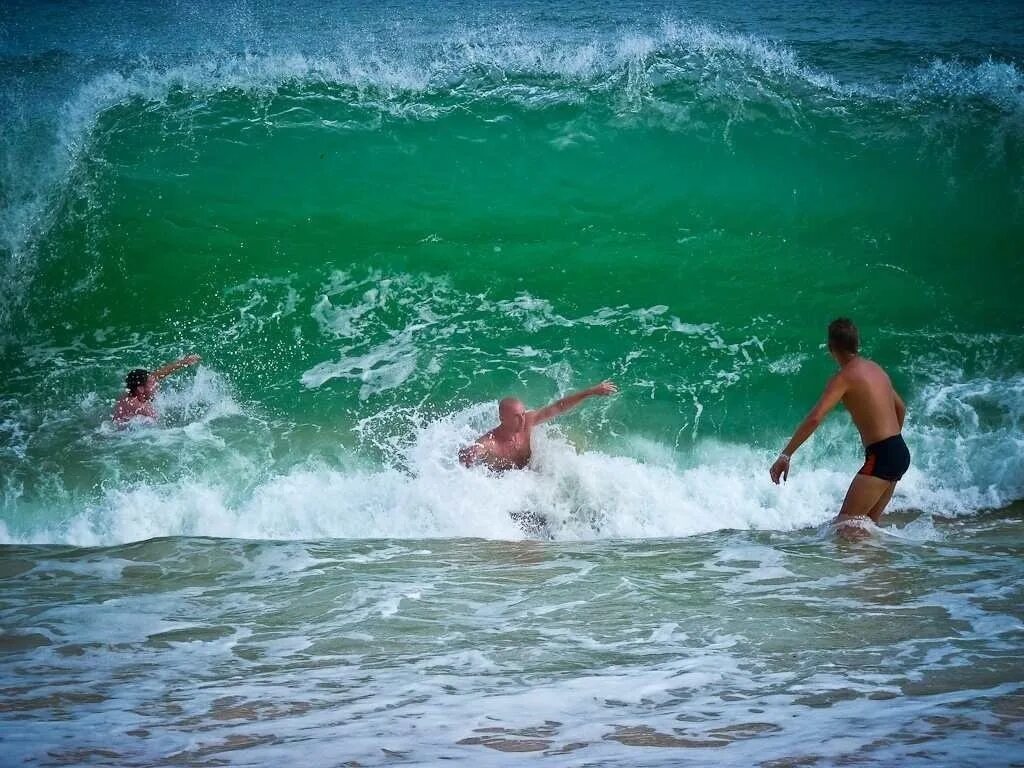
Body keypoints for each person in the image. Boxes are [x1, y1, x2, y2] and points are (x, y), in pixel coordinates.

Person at [769, 318, 910, 525]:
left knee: (846, 526)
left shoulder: (843, 378)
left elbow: (816, 418)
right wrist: (891, 445)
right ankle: (880, 558)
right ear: (856, 344)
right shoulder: (875, 369)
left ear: (831, 348)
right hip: (899, 451)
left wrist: (786, 454)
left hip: (882, 456)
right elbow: (901, 408)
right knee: (866, 527)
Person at [459, 381, 618, 471]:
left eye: (522, 414)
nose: (522, 420)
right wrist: (471, 453)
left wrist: (590, 391)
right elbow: (468, 456)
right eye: (516, 417)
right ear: (502, 418)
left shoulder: (527, 420)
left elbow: (558, 407)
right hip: (505, 491)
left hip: (531, 484)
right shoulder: (490, 442)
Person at [112, 354, 201, 426]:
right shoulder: (137, 405)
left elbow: (157, 375)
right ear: (141, 389)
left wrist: (183, 362)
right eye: (152, 384)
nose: (156, 385)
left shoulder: (133, 392)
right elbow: (158, 422)